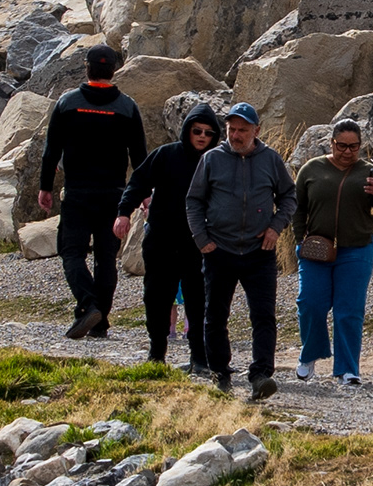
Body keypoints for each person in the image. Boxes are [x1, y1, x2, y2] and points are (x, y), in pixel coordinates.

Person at [182, 101, 296, 400]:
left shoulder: (271, 159)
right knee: (215, 315)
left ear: (256, 130)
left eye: (242, 130)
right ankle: (221, 372)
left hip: (260, 252)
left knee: (263, 315)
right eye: (232, 129)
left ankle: (260, 376)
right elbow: (193, 201)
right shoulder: (211, 159)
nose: (236, 135)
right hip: (220, 250)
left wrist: (275, 228)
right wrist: (201, 239)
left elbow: (288, 196)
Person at [35, 45, 147, 341]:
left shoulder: (67, 103)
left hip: (77, 193)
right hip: (113, 195)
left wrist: (45, 186)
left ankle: (88, 304)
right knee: (106, 258)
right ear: (113, 70)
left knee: (72, 252)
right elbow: (139, 156)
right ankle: (99, 322)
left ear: (87, 68)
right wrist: (144, 193)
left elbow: (51, 152)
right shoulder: (127, 106)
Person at [291, 117, 373, 385]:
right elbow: (297, 207)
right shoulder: (311, 169)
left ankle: (348, 370)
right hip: (316, 250)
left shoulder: (370, 172)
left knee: (349, 311)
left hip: (357, 250)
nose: (347, 152)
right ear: (331, 143)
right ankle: (309, 356)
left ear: (360, 146)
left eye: (354, 146)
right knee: (310, 304)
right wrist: (299, 241)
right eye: (342, 146)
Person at [118, 106, 221, 371]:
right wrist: (123, 213)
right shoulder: (166, 154)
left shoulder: (217, 161)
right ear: (187, 129)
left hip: (198, 242)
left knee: (198, 300)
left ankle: (199, 358)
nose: (201, 136)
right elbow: (138, 181)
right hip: (161, 239)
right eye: (196, 130)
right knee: (156, 297)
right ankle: (156, 354)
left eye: (208, 133)